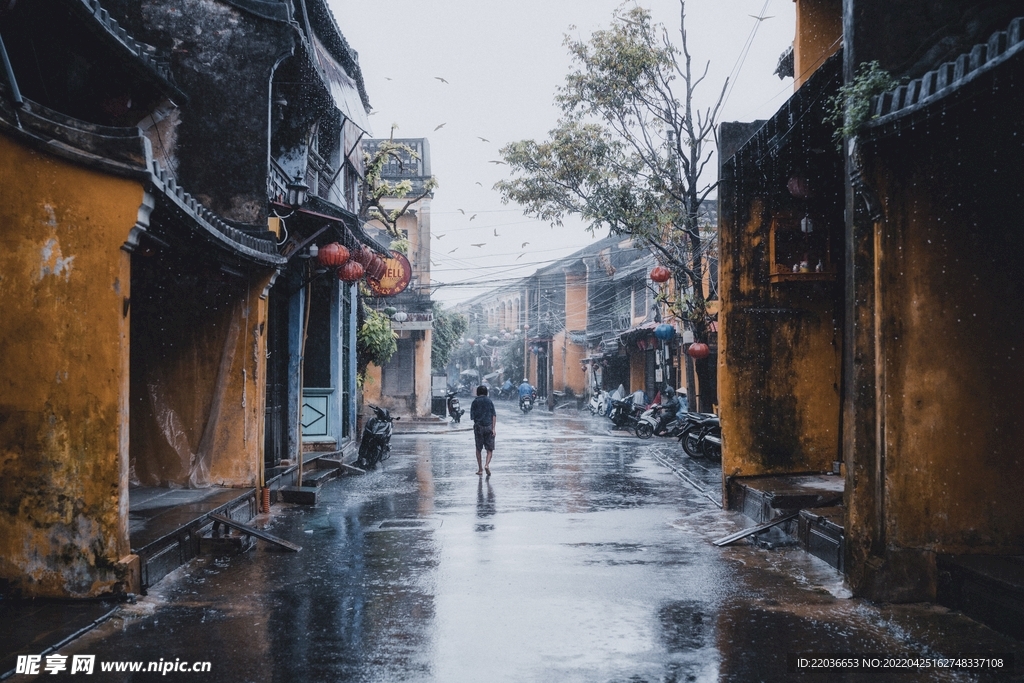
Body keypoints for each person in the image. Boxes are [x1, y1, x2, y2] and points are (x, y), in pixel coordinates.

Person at [470, 385, 496, 476]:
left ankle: (480, 469)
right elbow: (493, 415)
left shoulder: (474, 402)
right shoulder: (489, 401)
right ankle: (487, 465)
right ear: (486, 392)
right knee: (489, 449)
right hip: (489, 426)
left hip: (478, 427)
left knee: (478, 448)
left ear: (477, 392)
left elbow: (472, 417)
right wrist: (493, 429)